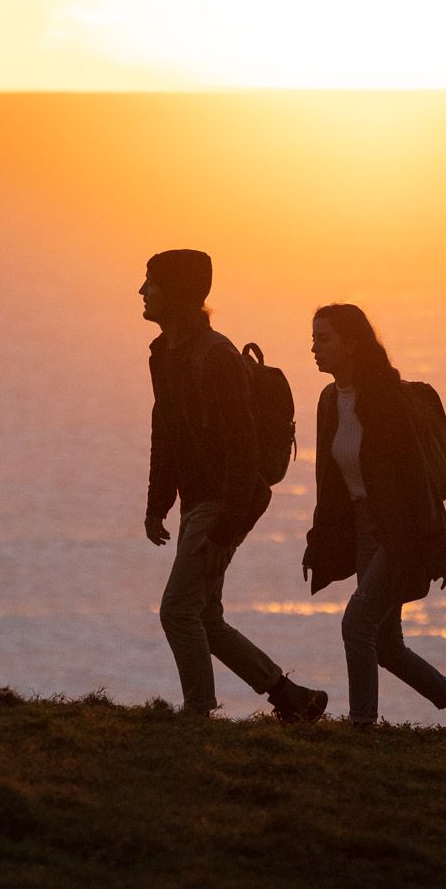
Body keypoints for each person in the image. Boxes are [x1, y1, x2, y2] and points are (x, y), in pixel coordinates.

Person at [140, 248, 327, 721]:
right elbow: (166, 431)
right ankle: (292, 698)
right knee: (204, 616)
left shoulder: (217, 358)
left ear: (177, 293)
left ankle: (198, 711)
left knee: (178, 610)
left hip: (224, 501)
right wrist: (157, 503)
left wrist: (227, 523)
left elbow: (242, 449)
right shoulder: (164, 355)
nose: (142, 291)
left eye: (151, 282)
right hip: (199, 501)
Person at [303, 302, 446, 746]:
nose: (313, 348)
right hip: (362, 526)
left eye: (324, 338)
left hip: (398, 530)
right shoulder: (330, 400)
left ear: (352, 344)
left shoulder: (386, 402)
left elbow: (414, 483)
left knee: (357, 624)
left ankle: (361, 729)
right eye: (313, 338)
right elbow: (329, 483)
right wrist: (320, 538)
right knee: (386, 643)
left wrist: (433, 544)